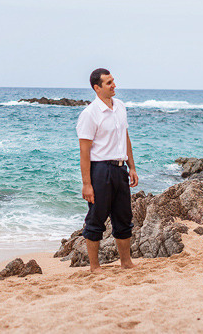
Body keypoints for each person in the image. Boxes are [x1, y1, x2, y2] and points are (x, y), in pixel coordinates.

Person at [76, 68, 139, 273]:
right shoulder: (89, 114)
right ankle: (95, 267)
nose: (114, 85)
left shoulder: (120, 106)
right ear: (97, 87)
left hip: (120, 169)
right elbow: (84, 152)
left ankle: (126, 262)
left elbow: (125, 138)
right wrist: (87, 184)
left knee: (123, 216)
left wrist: (132, 167)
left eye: (113, 81)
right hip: (100, 170)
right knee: (96, 218)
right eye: (109, 83)